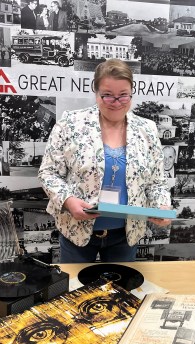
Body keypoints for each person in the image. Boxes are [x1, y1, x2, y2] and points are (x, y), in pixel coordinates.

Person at [38, 58, 171, 263]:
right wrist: (68, 200)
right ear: (96, 92)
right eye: (107, 95)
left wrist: (161, 206)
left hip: (125, 235)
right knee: (75, 290)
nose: (116, 103)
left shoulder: (148, 129)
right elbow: (48, 173)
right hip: (77, 230)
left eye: (123, 96)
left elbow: (156, 182)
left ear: (131, 93)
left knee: (121, 291)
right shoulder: (70, 123)